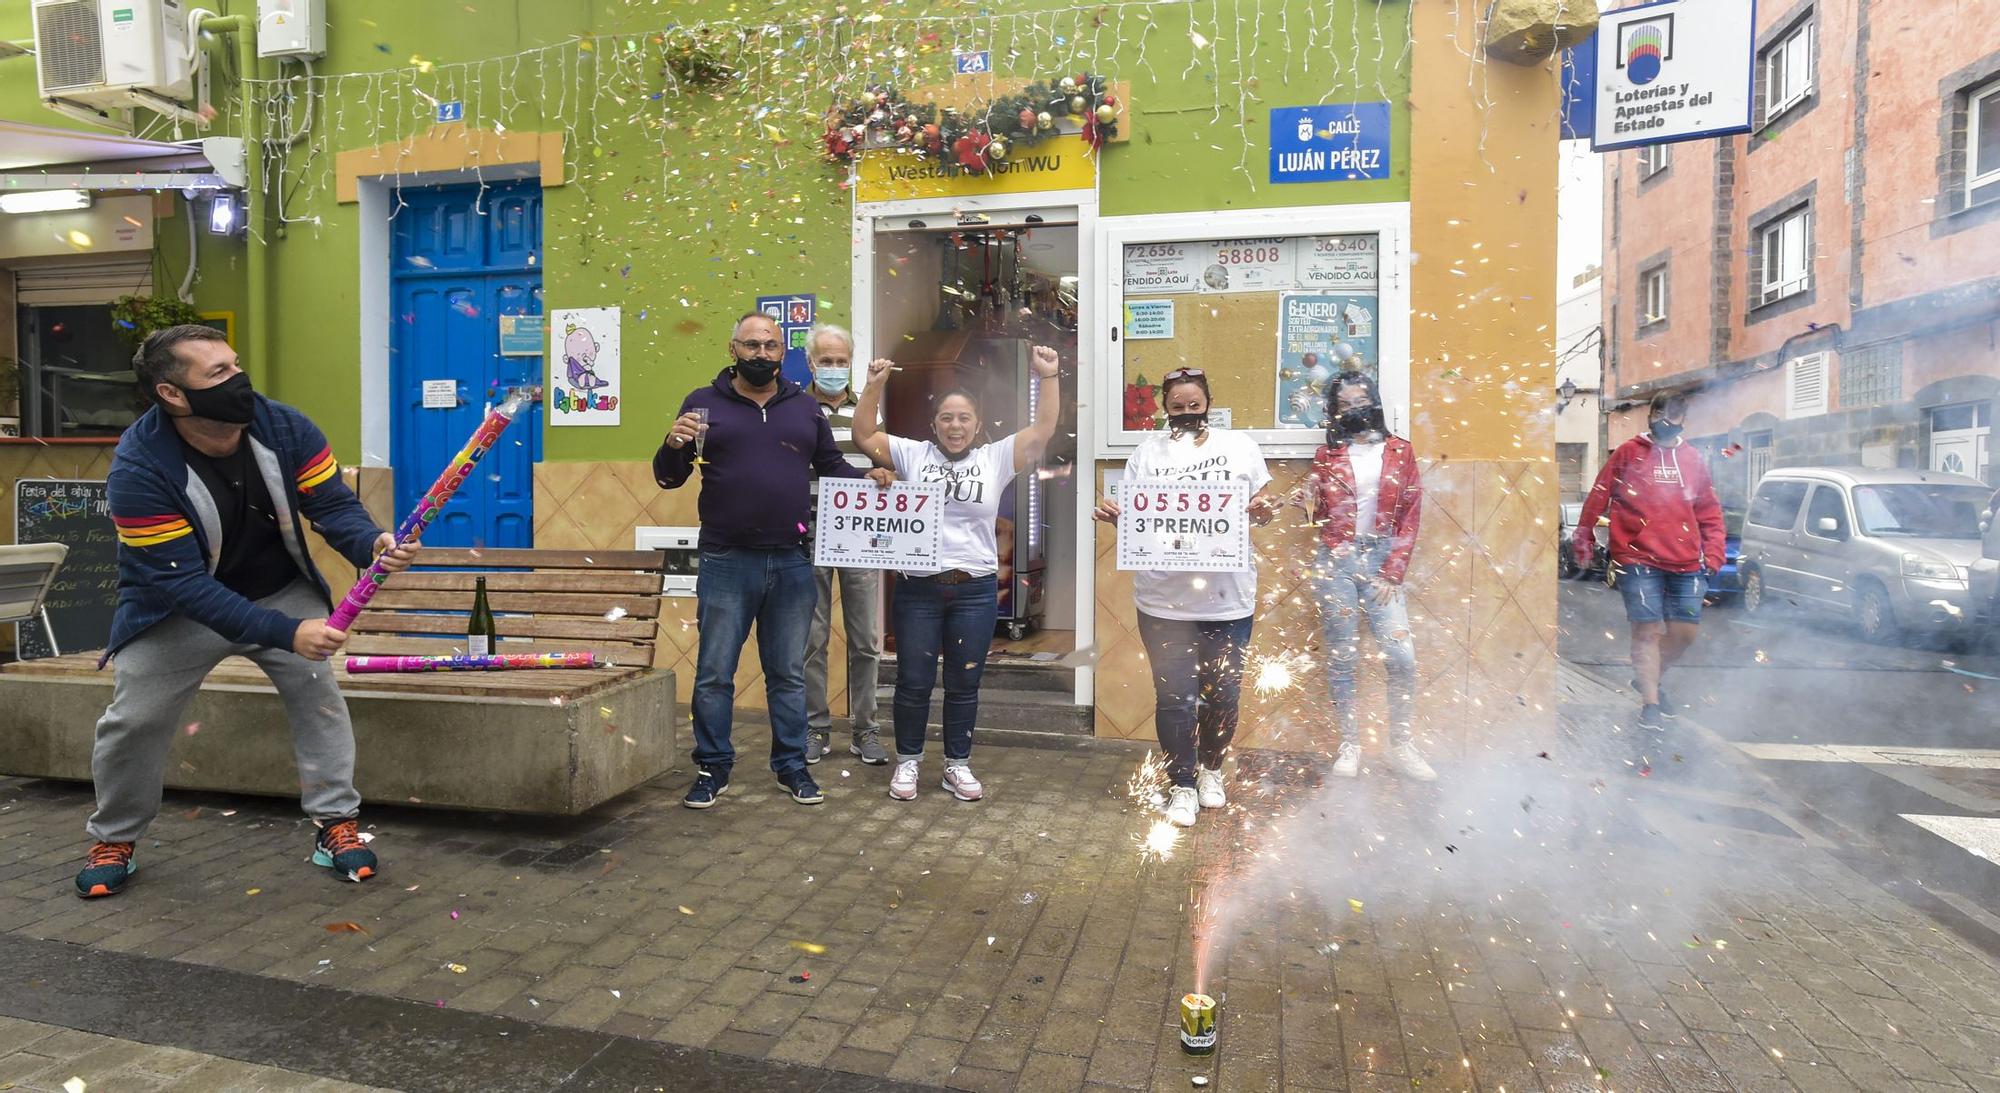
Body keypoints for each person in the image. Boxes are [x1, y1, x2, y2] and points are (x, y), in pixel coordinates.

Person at [75, 325, 421, 899]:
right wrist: (287, 633)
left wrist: (371, 543)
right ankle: (114, 836)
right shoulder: (137, 470)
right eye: (217, 374)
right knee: (133, 720)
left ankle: (336, 823)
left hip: (279, 590)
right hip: (176, 610)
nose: (239, 381)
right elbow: (184, 584)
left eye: (235, 366)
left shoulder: (284, 426)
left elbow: (331, 504)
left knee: (319, 699)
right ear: (172, 395)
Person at [656, 313, 894, 810]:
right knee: (715, 672)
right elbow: (670, 477)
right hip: (726, 559)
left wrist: (869, 478)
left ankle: (792, 767)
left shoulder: (803, 408)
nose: (761, 354)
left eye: (770, 346)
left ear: (782, 353)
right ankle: (712, 768)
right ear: (733, 348)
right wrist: (673, 445)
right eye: (751, 345)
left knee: (786, 672)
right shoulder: (701, 405)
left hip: (791, 559)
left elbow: (830, 464)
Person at [851, 346, 1062, 801]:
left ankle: (956, 765)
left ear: (977, 425)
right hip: (918, 590)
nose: (955, 426)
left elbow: (1044, 429)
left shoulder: (996, 458)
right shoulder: (911, 454)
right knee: (913, 681)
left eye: (964, 418)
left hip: (975, 591)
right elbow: (863, 432)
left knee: (964, 682)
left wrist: (1049, 377)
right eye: (947, 418)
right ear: (934, 425)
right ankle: (908, 761)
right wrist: (874, 384)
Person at [1093, 369, 1279, 827]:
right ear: (1165, 409)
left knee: (1224, 695)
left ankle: (1212, 771)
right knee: (1175, 697)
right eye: (1177, 407)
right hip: (1163, 600)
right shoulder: (1145, 453)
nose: (1187, 414)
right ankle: (1181, 784)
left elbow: (1264, 511)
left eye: (1194, 405)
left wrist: (1262, 513)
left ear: (1209, 403)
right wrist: (1122, 520)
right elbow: (1140, 518)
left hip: (1228, 597)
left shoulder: (1241, 448)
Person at [1303, 370, 1435, 781]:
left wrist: (1394, 571)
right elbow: (1321, 516)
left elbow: (1410, 515)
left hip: (1382, 562)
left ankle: (1401, 742)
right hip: (1336, 562)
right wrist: (1308, 502)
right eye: (1345, 405)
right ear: (1334, 411)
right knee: (1342, 656)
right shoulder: (1328, 456)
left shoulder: (1400, 451)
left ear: (1374, 403)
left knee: (1401, 657)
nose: (1355, 410)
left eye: (1362, 402)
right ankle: (1349, 743)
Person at [1572, 392, 1725, 731]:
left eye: (1672, 415)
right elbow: (1600, 492)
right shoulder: (1628, 453)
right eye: (1659, 413)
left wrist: (1713, 555)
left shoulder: (1692, 459)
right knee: (1646, 630)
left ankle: (1647, 678)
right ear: (1651, 415)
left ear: (1684, 420)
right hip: (1637, 558)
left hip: (1686, 563)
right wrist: (1583, 533)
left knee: (1685, 633)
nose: (1664, 421)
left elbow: (1709, 511)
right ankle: (1651, 704)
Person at [801, 324, 888, 766]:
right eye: (826, 360)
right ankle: (815, 730)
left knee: (867, 641)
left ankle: (865, 730)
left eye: (841, 360)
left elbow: (885, 462)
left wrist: (885, 474)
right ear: (810, 363)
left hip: (860, 540)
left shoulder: (869, 412)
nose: (834, 368)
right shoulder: (795, 409)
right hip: (810, 539)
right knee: (812, 641)